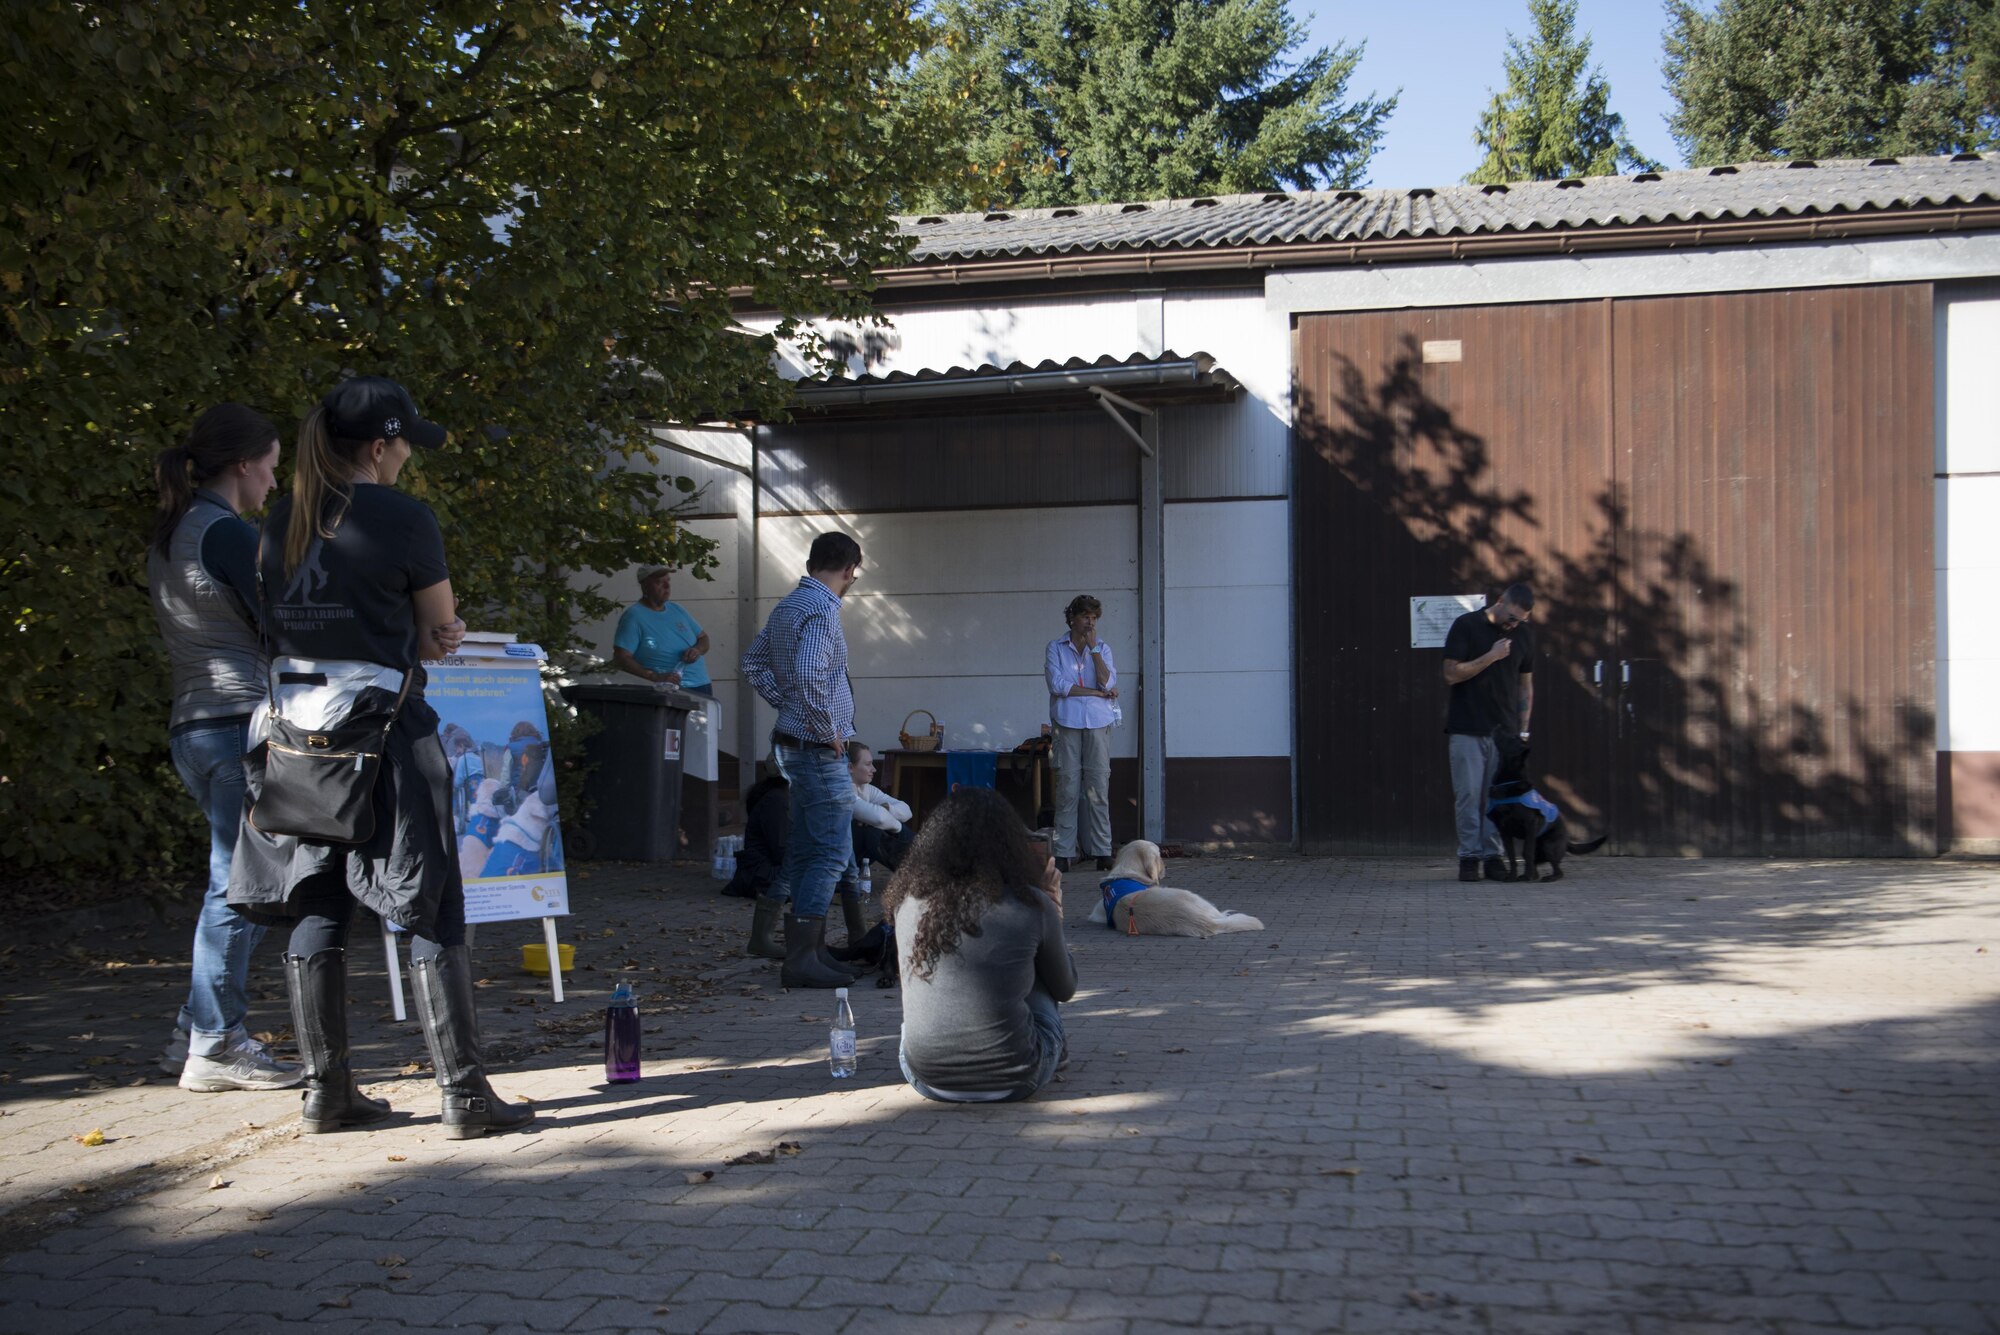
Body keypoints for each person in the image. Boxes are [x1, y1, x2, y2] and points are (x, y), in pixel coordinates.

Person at [228, 375, 532, 1139]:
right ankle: (464, 1096)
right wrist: (443, 633)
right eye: (403, 445)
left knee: (318, 902)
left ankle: (325, 1095)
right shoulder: (404, 519)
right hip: (385, 734)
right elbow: (436, 630)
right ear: (378, 445)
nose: (406, 458)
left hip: (294, 740)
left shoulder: (281, 518)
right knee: (428, 901)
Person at [147, 403, 303, 1093]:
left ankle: (194, 1025)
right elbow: (285, 620)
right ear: (243, 464)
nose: (274, 480)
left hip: (191, 723)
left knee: (235, 876)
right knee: (245, 885)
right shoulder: (228, 534)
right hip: (239, 720)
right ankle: (215, 1041)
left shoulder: (172, 532)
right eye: (270, 465)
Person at [887, 787, 1077, 1103]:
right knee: (1038, 963)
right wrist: (1053, 914)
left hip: (925, 1079)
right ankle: (1056, 1051)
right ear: (1011, 846)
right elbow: (1066, 988)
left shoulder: (907, 904)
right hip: (1019, 1077)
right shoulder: (1032, 906)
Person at [738, 530, 866, 987]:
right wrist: (826, 728)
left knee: (810, 850)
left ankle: (809, 950)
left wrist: (788, 705)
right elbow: (812, 675)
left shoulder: (788, 605)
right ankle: (802, 961)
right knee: (831, 852)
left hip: (792, 745)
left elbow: (752, 664)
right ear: (851, 569)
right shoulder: (824, 610)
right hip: (816, 748)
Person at [1441, 583, 1536, 883]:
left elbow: (1525, 686)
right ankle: (1469, 857)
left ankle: (1492, 856)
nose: (1514, 624)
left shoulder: (1523, 636)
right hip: (1467, 728)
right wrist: (1491, 656)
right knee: (1468, 797)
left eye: (1521, 620)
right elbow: (1451, 674)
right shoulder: (1466, 626)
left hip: (1504, 735)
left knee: (1497, 800)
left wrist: (1523, 731)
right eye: (1511, 617)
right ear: (1499, 601)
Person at [1044, 594, 1118, 873]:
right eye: (1086, 616)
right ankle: (1063, 852)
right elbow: (1058, 685)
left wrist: (1094, 650)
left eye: (1094, 618)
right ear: (1072, 618)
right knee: (1067, 786)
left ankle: (1102, 851)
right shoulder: (1055, 647)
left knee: (1098, 785)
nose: (1090, 622)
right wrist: (1098, 693)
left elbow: (1108, 680)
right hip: (1067, 723)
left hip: (1098, 722)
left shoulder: (1103, 648)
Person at [612, 566, 711, 695]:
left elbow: (703, 638)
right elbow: (621, 658)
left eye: (668, 581)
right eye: (659, 582)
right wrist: (654, 677)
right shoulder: (634, 616)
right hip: (667, 689)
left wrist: (697, 650)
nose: (667, 586)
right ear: (644, 585)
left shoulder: (676, 609)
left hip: (700, 684)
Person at [846, 742, 912, 873]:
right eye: (868, 764)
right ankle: (918, 870)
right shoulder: (843, 791)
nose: (874, 769)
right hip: (838, 864)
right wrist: (894, 824)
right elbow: (879, 818)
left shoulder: (867, 789)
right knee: (872, 830)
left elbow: (906, 810)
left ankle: (922, 865)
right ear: (850, 767)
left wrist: (888, 810)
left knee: (880, 826)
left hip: (853, 857)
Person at [726, 774, 790, 903]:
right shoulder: (776, 800)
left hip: (765, 870)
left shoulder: (777, 796)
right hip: (763, 874)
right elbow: (780, 848)